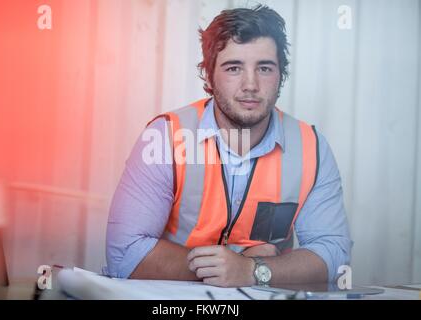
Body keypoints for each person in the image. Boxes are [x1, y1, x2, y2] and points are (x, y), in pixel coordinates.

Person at [104, 5, 352, 288]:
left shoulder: (312, 147)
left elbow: (335, 256)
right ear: (209, 75)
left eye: (264, 68)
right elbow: (124, 254)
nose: (250, 84)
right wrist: (236, 263)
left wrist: (252, 269)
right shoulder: (166, 137)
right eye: (234, 68)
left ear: (280, 76)